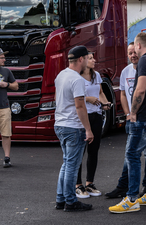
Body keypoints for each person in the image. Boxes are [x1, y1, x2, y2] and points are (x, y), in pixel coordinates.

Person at [109, 32, 146, 213]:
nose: (134, 51)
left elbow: (140, 90)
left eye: (135, 47)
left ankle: (132, 198)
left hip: (144, 117)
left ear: (139, 46)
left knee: (133, 155)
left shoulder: (145, 61)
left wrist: (133, 112)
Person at [54, 45, 94, 212]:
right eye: (87, 58)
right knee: (72, 165)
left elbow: (58, 99)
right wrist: (88, 129)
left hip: (60, 124)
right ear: (81, 59)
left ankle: (61, 199)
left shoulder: (61, 75)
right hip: (73, 126)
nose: (88, 61)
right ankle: (71, 201)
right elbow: (80, 106)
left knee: (66, 163)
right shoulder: (77, 79)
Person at [75, 52, 111, 199]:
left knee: (94, 150)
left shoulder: (96, 75)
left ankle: (90, 183)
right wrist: (87, 98)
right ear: (82, 60)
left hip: (96, 116)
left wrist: (105, 103)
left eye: (93, 58)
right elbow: (75, 98)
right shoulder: (76, 77)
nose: (94, 60)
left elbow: (101, 92)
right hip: (83, 118)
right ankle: (78, 185)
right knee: (79, 152)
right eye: (90, 58)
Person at [106, 42, 138, 199]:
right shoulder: (126, 72)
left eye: (134, 52)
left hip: (145, 120)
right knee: (130, 154)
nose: (133, 55)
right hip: (132, 120)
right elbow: (123, 95)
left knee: (145, 155)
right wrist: (127, 114)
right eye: (130, 53)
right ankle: (124, 186)